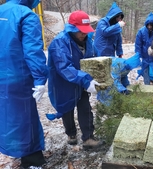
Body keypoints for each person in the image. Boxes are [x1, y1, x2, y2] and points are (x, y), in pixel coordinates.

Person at [0, 0, 48, 168]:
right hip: (18, 78)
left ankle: (11, 148)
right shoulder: (26, 15)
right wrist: (40, 78)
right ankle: (31, 161)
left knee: (5, 116)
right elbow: (33, 50)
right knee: (25, 119)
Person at [47, 10, 104, 149]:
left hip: (82, 82)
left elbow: (96, 58)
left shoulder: (88, 41)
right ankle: (71, 134)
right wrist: (85, 80)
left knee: (85, 107)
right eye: (80, 30)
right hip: (64, 82)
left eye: (86, 30)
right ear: (72, 28)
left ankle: (88, 138)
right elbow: (64, 67)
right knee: (67, 108)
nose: (83, 33)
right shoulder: (60, 43)